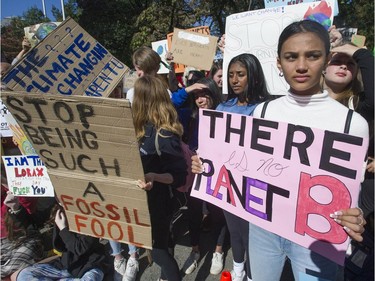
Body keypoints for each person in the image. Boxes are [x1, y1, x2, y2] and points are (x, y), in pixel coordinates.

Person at [247, 20, 369, 281]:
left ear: (326, 60)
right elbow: (245, 166)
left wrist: (353, 216)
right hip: (263, 227)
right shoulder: (263, 111)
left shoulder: (353, 124)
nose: (301, 66)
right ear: (279, 63)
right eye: (291, 57)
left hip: (318, 236)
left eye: (312, 56)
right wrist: (209, 166)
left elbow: (351, 190)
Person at [133, 75, 187, 281]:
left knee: (156, 251)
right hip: (145, 202)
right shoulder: (139, 130)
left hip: (159, 203)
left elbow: (179, 176)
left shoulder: (164, 135)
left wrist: (154, 176)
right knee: (163, 243)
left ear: (143, 100)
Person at [179, 77, 228, 276]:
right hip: (195, 171)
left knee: (218, 212)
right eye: (196, 96)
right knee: (193, 212)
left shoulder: (225, 114)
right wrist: (188, 88)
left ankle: (218, 250)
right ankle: (195, 250)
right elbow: (169, 103)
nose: (200, 100)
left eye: (204, 94)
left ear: (213, 94)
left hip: (218, 172)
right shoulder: (188, 115)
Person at [16, 204, 108, 281]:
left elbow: (79, 248)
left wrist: (63, 229)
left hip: (90, 266)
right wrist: (16, 208)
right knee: (23, 275)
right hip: (65, 266)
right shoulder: (60, 209)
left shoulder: (91, 214)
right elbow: (35, 221)